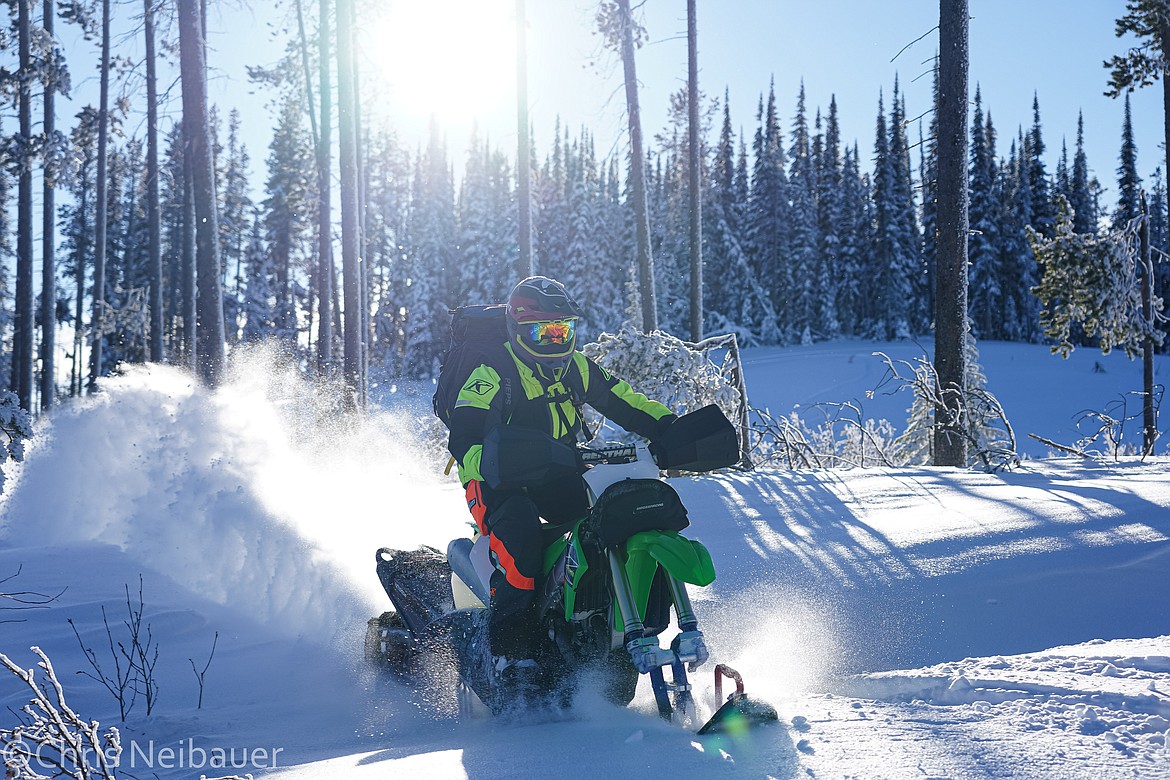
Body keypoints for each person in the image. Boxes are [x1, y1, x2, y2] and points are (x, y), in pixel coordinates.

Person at [445, 276, 676, 692]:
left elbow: (626, 401)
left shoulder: (577, 368)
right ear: (518, 329)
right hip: (496, 481)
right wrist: (492, 463)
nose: (555, 341)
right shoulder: (491, 372)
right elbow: (464, 437)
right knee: (522, 549)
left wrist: (671, 428)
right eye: (544, 331)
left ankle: (599, 627)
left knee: (608, 527)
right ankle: (508, 656)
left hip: (558, 470)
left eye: (563, 330)